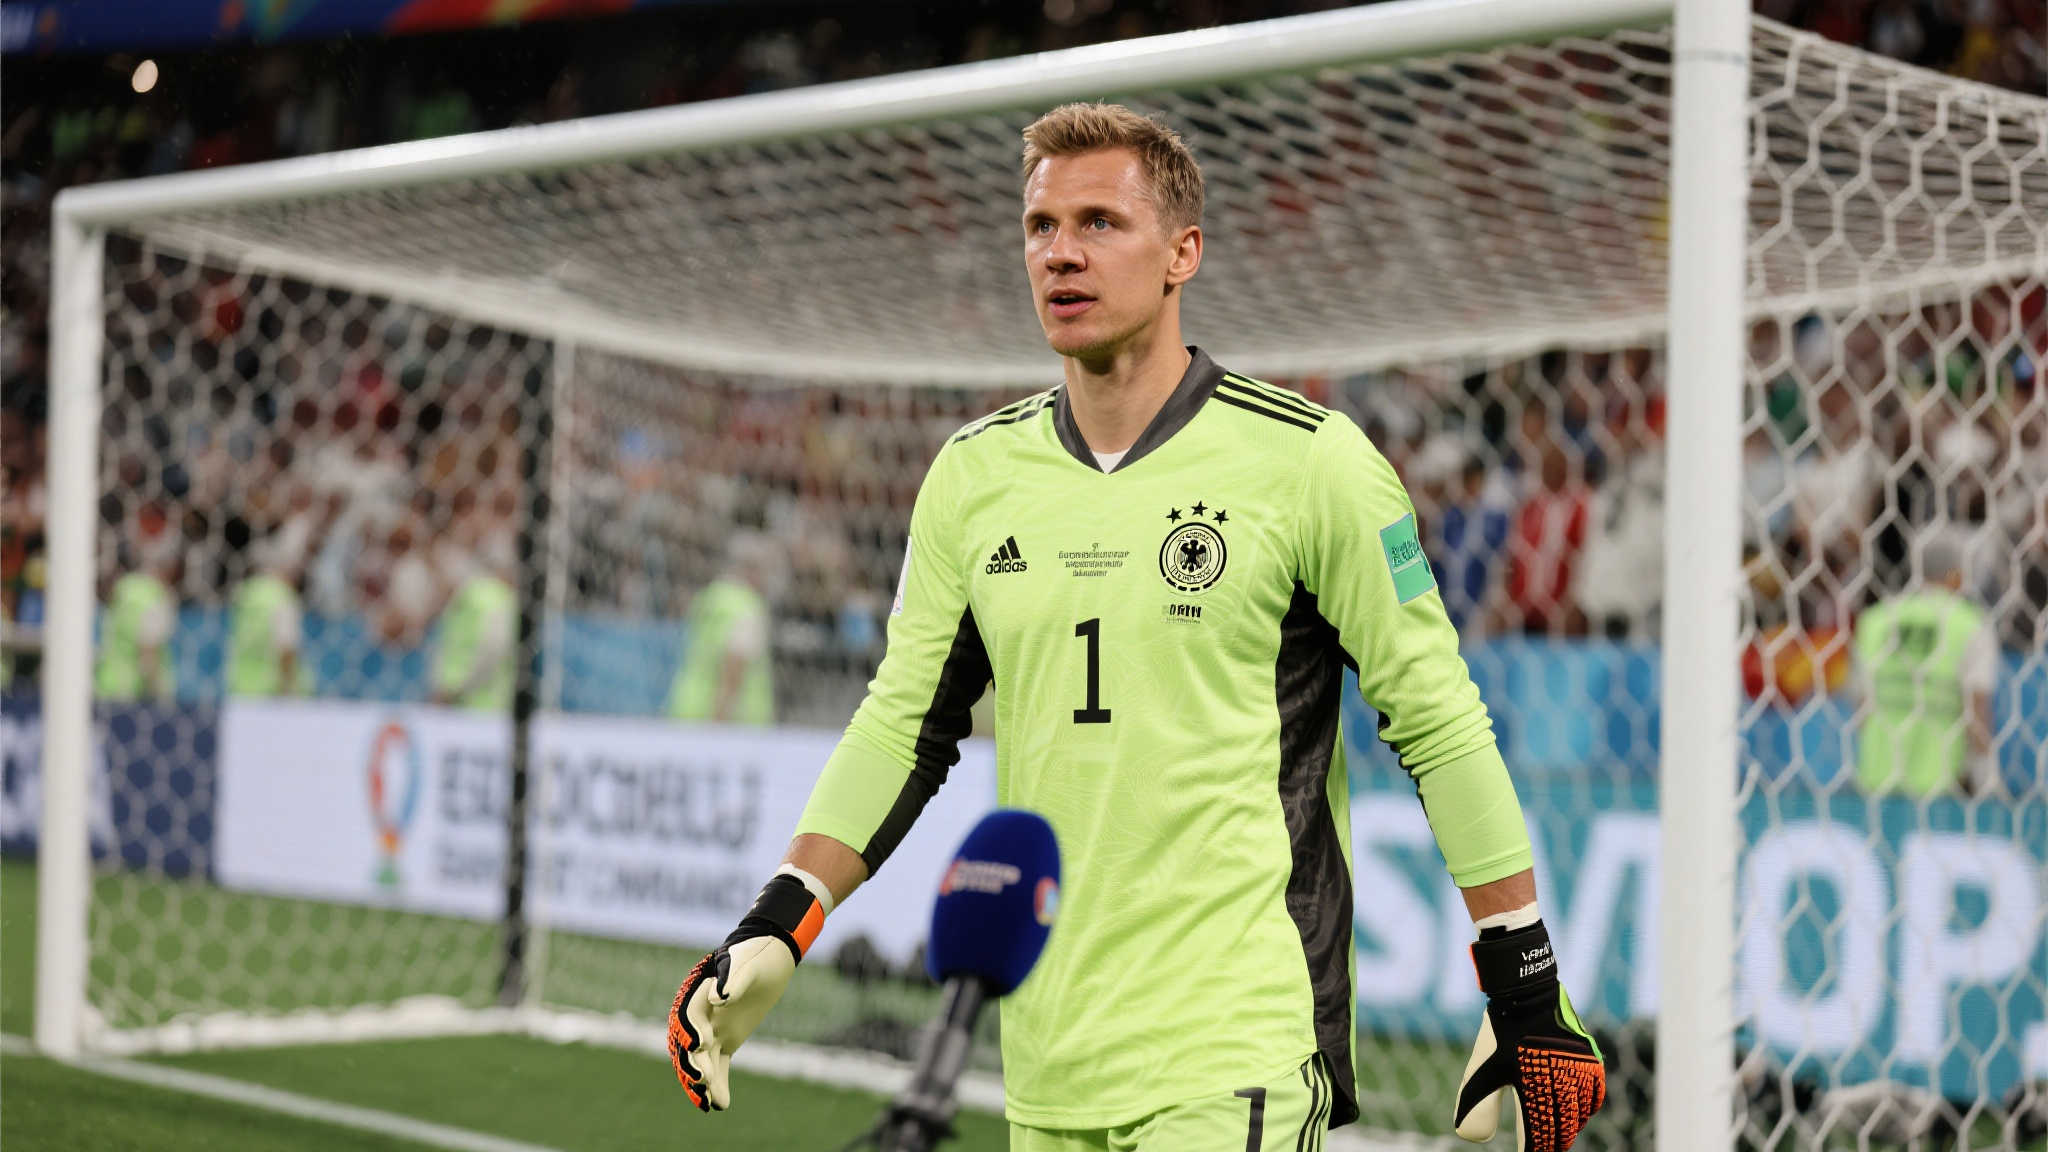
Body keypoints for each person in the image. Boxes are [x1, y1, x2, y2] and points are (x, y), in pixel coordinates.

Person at [669, 104, 1605, 1151]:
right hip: (1046, 1060)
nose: (1060, 252)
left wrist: (1521, 973)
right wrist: (782, 915)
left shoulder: (1310, 462)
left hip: (1236, 1048)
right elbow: (902, 724)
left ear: (1181, 254)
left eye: (1100, 223)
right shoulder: (973, 476)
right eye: (1041, 226)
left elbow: (1437, 719)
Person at [1852, 530, 2001, 797]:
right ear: (1957, 575)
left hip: (1876, 781)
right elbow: (1976, 713)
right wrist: (1988, 782)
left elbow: (1861, 708)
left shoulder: (1875, 620)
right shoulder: (1971, 625)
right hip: (1940, 786)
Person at [666, 532, 777, 727]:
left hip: (688, 710)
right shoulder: (747, 607)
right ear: (752, 569)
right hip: (732, 723)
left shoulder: (710, 597)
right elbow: (734, 666)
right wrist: (718, 725)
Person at [429, 536, 516, 711]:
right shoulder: (495, 596)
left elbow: (492, 648)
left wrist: (455, 689)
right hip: (482, 701)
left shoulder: (483, 596)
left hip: (468, 700)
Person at [225, 524, 312, 698]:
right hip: (273, 695)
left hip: (241, 690)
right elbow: (286, 647)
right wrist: (290, 691)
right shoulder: (283, 597)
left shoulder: (247, 592)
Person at [95, 535, 178, 702]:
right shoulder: (154, 596)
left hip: (107, 686)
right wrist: (162, 697)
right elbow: (148, 653)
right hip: (134, 695)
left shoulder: (122, 588)